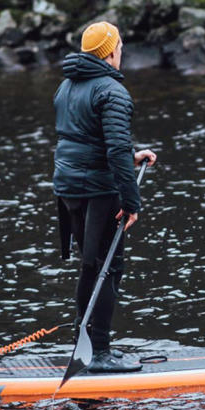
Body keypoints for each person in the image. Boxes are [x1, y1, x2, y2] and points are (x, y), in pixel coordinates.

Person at [53, 21, 156, 373]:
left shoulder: (68, 85)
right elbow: (110, 150)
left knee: (90, 265)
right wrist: (131, 203)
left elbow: (88, 138)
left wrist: (132, 154)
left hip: (69, 187)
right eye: (121, 47)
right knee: (108, 268)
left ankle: (85, 343)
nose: (121, 53)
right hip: (98, 190)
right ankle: (99, 353)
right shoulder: (112, 91)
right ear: (110, 52)